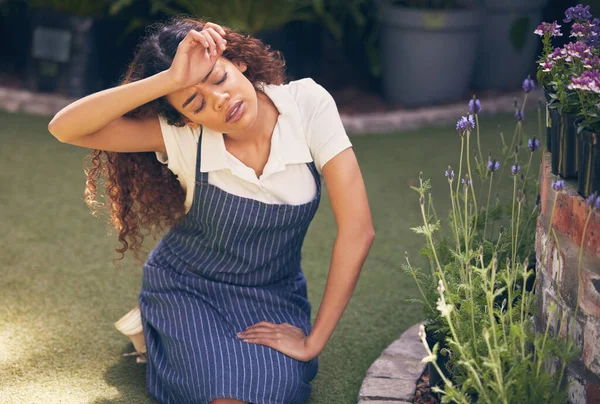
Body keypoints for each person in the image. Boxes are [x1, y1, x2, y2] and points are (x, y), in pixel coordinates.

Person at [48, 16, 375, 404]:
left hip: (271, 294)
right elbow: (64, 128)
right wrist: (169, 80)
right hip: (188, 288)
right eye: (196, 102)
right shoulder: (184, 136)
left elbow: (358, 230)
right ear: (186, 118)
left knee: (277, 389)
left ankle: (159, 339)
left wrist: (312, 341)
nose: (219, 100)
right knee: (226, 398)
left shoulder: (306, 106)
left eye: (218, 79)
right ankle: (163, 327)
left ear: (238, 64)